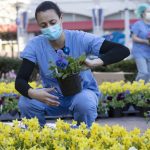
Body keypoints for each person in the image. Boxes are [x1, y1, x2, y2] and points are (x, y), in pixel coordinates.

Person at [15, 1, 130, 127]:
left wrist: (94, 63)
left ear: (61, 18)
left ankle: (83, 137)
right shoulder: (35, 45)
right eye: (44, 25)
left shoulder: (80, 38)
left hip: (81, 93)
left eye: (52, 22)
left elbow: (122, 50)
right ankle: (37, 137)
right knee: (26, 102)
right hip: (52, 97)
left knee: (84, 102)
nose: (49, 28)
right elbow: (20, 80)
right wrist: (33, 93)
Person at [131, 3, 150, 83]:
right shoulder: (137, 24)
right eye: (148, 11)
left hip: (148, 52)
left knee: (148, 74)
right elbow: (133, 37)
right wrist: (145, 41)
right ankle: (136, 89)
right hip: (139, 52)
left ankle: (145, 92)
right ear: (142, 13)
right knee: (143, 73)